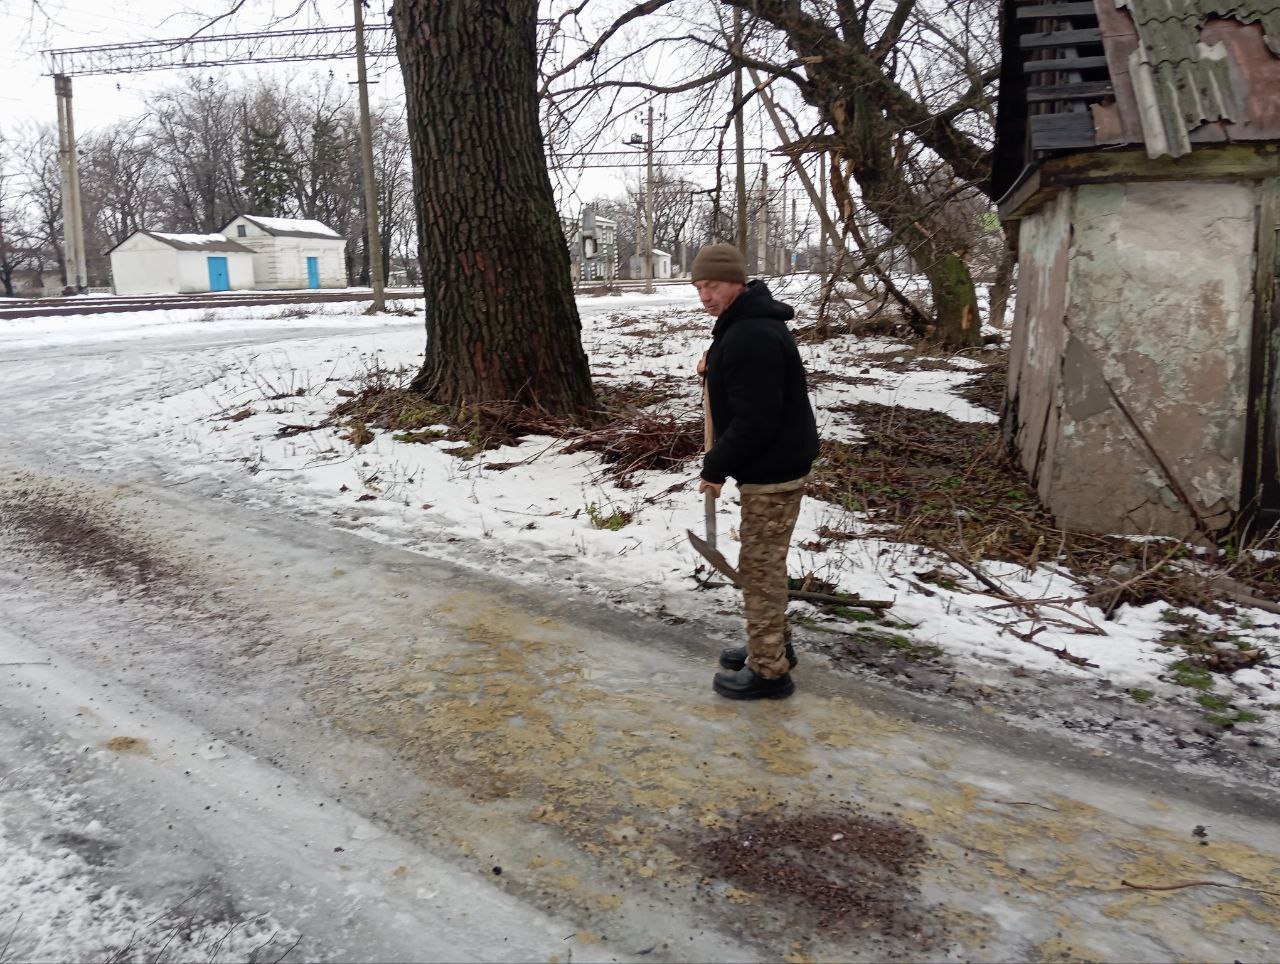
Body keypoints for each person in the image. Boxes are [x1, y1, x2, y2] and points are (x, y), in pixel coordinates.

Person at [692, 243, 819, 701]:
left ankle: (769, 672)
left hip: (772, 467)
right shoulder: (745, 325)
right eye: (700, 287)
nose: (705, 295)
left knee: (759, 570)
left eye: (714, 285)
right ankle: (771, 645)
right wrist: (714, 366)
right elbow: (746, 389)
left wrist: (716, 466)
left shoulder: (750, 334)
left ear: (737, 283)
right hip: (776, 461)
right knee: (765, 563)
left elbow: (756, 420)